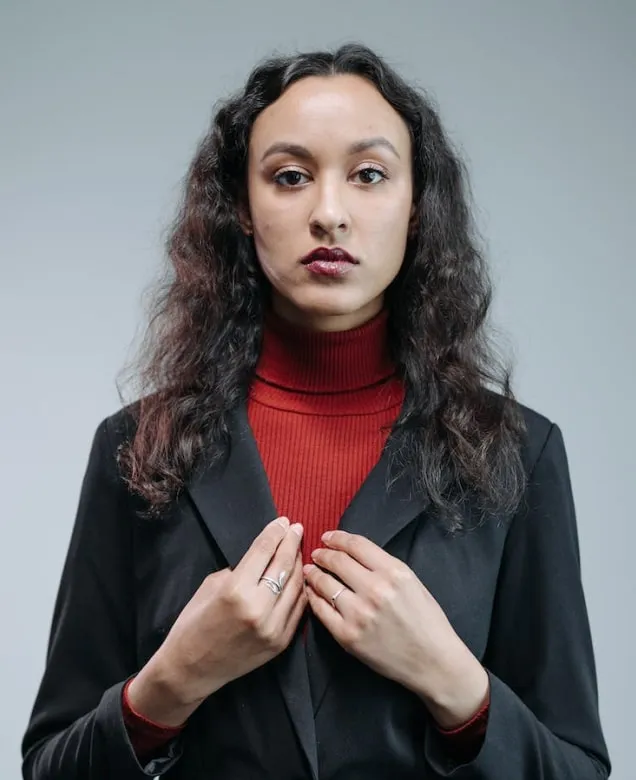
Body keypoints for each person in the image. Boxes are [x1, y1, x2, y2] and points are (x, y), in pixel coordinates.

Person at [21, 43, 611, 779]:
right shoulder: (139, 446)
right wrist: (170, 685)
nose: (329, 214)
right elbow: (50, 765)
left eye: (369, 175)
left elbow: (577, 768)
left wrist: (454, 684)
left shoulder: (517, 452)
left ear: (418, 208)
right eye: (290, 177)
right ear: (241, 207)